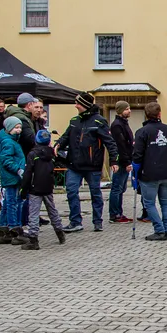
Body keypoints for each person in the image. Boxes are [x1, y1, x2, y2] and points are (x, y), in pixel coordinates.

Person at [56, 92, 119, 232]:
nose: (75, 105)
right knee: (71, 191)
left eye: (78, 103)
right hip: (74, 165)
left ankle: (97, 221)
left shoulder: (99, 121)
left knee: (95, 193)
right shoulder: (74, 121)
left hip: (92, 166)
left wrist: (114, 160)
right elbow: (65, 136)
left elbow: (110, 143)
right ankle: (75, 221)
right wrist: (57, 145)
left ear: (84, 105)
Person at [132, 101, 167, 241]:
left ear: (146, 115)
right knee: (165, 202)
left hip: (149, 174)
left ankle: (159, 230)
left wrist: (135, 172)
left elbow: (137, 155)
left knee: (149, 203)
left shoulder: (142, 132)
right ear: (159, 114)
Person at [22, 129, 67, 250]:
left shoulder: (32, 154)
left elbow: (28, 173)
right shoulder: (52, 154)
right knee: (52, 211)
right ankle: (60, 233)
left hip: (35, 187)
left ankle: (33, 239)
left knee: (33, 214)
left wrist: (23, 189)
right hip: (48, 187)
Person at [0, 118, 28, 245]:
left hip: (12, 177)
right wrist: (18, 170)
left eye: (20, 127)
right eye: (16, 127)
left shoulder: (11, 141)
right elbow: (6, 160)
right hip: (12, 177)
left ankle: (4, 229)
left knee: (8, 203)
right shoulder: (8, 142)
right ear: (9, 129)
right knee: (13, 203)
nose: (19, 130)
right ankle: (15, 229)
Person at [108, 100, 135, 223]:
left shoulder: (124, 123)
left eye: (129, 108)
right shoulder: (117, 125)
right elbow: (121, 145)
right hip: (121, 161)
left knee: (121, 188)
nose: (129, 111)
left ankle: (119, 212)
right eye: (126, 109)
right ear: (120, 111)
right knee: (117, 188)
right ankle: (115, 214)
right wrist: (127, 161)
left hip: (125, 160)